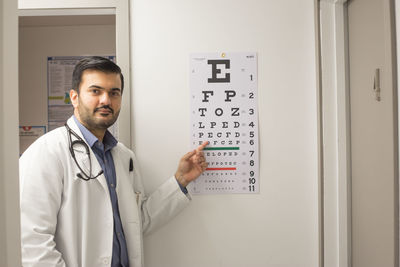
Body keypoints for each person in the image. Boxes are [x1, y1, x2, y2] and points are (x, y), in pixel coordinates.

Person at [19, 56, 209, 267]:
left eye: (114, 93)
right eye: (95, 91)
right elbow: (30, 241)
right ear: (74, 97)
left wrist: (180, 180)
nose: (106, 100)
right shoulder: (47, 151)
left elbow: (137, 222)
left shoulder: (123, 156)